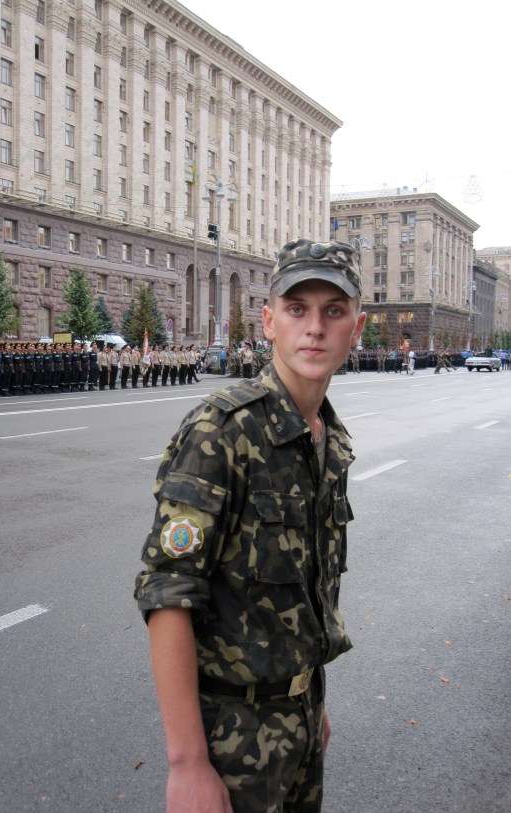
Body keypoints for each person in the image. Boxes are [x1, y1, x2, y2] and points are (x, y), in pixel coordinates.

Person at [135, 238, 366, 813]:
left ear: (356, 328)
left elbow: (304, 591)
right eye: (297, 309)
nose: (314, 328)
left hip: (302, 724)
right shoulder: (222, 432)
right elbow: (169, 596)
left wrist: (309, 705)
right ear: (268, 321)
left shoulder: (328, 439)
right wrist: (187, 763)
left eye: (333, 311)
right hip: (230, 739)